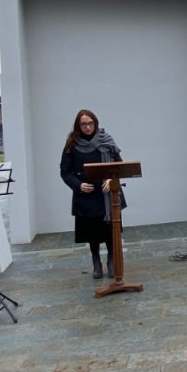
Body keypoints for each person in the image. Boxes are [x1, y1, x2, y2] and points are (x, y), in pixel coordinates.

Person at [60, 110, 123, 278]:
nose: (87, 127)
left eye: (90, 123)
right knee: (92, 232)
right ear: (78, 126)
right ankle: (96, 262)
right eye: (83, 124)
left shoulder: (106, 140)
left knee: (110, 230)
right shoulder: (71, 145)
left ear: (95, 123)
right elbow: (65, 172)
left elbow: (119, 165)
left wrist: (111, 180)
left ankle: (111, 260)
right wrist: (78, 185)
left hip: (108, 195)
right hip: (86, 196)